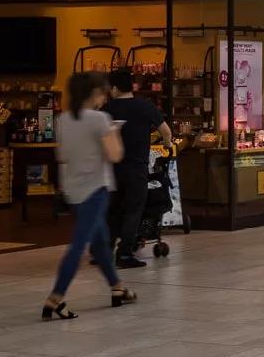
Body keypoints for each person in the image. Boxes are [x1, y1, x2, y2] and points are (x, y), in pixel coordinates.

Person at [40, 72, 135, 320]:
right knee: (80, 244)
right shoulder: (100, 119)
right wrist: (113, 133)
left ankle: (117, 288)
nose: (105, 97)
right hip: (96, 189)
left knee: (100, 243)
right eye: (103, 93)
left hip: (73, 190)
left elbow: (61, 156)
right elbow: (115, 155)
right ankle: (56, 296)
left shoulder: (62, 120)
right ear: (94, 93)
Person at [102, 68, 170, 268]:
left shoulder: (107, 109)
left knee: (113, 212)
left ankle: (104, 252)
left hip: (111, 169)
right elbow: (165, 131)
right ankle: (124, 254)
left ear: (113, 88)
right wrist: (167, 144)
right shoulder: (145, 106)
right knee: (133, 211)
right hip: (136, 169)